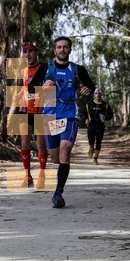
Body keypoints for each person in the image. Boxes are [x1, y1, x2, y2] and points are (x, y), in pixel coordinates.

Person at [40, 36, 95, 208]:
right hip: (50, 116)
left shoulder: (78, 69)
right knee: (55, 157)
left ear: (70, 50)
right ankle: (59, 181)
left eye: (65, 47)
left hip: (69, 116)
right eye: (59, 47)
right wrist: (42, 88)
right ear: (54, 50)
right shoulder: (45, 68)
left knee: (65, 150)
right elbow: (28, 91)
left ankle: (58, 193)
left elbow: (91, 88)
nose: (62, 50)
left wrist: (87, 90)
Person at [15, 43, 48, 186]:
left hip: (40, 110)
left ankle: (42, 174)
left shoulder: (45, 68)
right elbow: (23, 86)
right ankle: (27, 176)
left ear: (36, 53)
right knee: (24, 142)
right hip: (24, 109)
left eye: (30, 52)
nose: (27, 55)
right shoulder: (22, 70)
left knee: (41, 145)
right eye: (25, 52)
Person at [83, 88, 113, 164]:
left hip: (100, 126)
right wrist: (86, 119)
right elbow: (84, 113)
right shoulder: (89, 104)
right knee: (91, 140)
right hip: (91, 126)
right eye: (96, 93)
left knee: (98, 142)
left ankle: (95, 159)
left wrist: (104, 117)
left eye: (99, 93)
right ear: (94, 95)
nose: (98, 95)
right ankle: (91, 148)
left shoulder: (105, 105)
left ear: (101, 95)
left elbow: (111, 115)